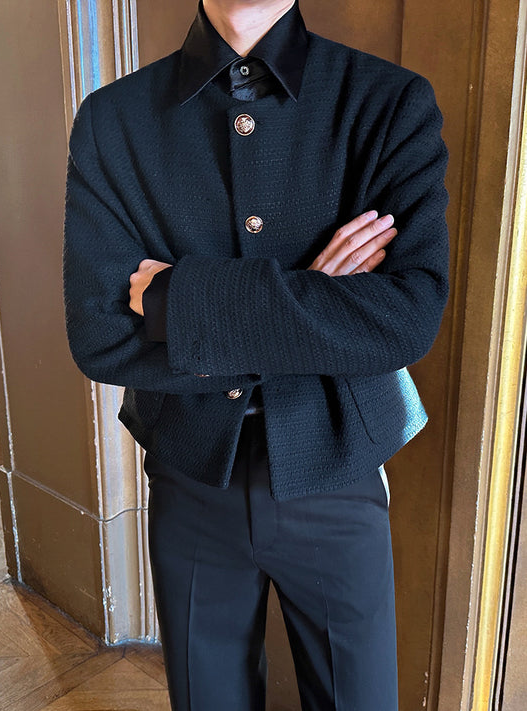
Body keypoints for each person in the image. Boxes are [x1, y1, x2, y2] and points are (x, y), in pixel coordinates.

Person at [63, 0, 449, 708]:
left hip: (339, 467)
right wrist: (317, 301)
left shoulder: (388, 102)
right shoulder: (112, 119)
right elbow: (99, 336)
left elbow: (405, 319)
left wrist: (179, 303)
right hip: (188, 475)